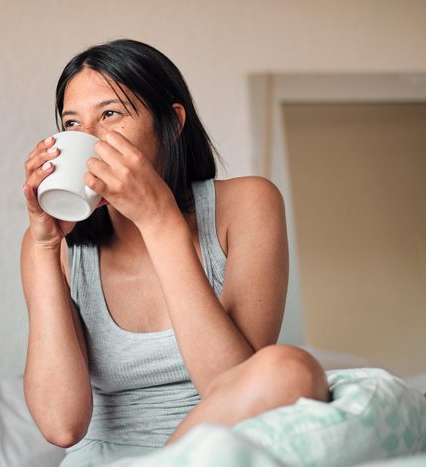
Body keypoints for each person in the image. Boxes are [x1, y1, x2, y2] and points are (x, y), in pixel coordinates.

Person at [20, 39, 329, 467]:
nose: (88, 138)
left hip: (213, 454)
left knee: (290, 370)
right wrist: (44, 245)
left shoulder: (248, 205)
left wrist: (158, 220)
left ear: (171, 121)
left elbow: (233, 386)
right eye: (72, 124)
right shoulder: (53, 243)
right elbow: (61, 426)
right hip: (103, 458)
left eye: (110, 114)